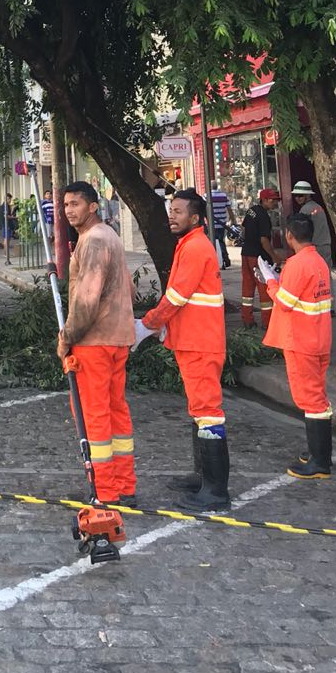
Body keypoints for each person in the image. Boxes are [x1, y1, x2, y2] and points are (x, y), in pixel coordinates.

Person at [138, 189, 229, 511]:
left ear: (195, 218)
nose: (171, 216)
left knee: (207, 412)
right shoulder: (190, 244)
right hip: (194, 339)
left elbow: (176, 297)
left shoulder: (195, 248)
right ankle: (203, 476)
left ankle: (216, 491)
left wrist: (148, 323)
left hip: (200, 342)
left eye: (178, 211)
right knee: (199, 411)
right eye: (170, 210)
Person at [55, 181, 136, 504]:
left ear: (92, 206)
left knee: (95, 414)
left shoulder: (91, 242)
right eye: (65, 205)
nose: (69, 210)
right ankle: (124, 484)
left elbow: (86, 302)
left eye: (75, 204)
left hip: (94, 342)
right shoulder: (111, 237)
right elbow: (128, 291)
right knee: (117, 412)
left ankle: (105, 489)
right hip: (118, 339)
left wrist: (66, 337)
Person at [262, 213, 333, 479]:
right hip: (318, 338)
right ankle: (320, 454)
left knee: (310, 400)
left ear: (289, 236)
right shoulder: (318, 262)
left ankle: (319, 462)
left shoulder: (297, 264)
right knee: (317, 398)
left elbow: (283, 302)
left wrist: (270, 281)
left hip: (301, 341)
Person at [240, 188, 282, 329]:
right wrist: (274, 256)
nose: (275, 202)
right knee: (264, 290)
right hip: (258, 257)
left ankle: (247, 319)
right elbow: (264, 240)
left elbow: (244, 230)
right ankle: (268, 322)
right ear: (264, 200)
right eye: (273, 200)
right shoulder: (264, 216)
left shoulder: (251, 211)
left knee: (247, 288)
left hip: (246, 253)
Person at [290, 181, 333, 269]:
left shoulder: (305, 210)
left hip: (315, 248)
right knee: (326, 274)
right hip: (326, 246)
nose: (297, 198)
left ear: (308, 195)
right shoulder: (318, 206)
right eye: (296, 195)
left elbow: (301, 231)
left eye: (300, 195)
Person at [208, 181, 234, 270]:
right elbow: (229, 209)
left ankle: (219, 260)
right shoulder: (223, 195)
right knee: (221, 241)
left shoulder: (207, 196)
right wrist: (232, 220)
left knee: (214, 243)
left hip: (212, 224)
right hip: (222, 223)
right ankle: (225, 259)